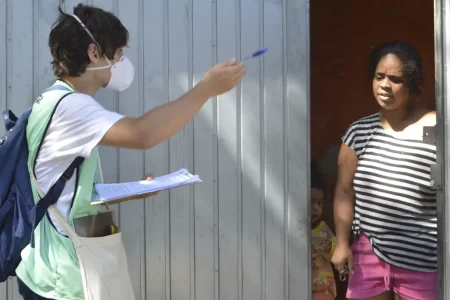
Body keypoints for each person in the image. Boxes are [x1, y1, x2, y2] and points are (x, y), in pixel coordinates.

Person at [15, 4, 246, 300]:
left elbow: (63, 190)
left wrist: (130, 191)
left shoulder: (53, 99)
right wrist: (206, 88)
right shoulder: (72, 108)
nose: (122, 61)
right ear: (94, 53)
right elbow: (143, 133)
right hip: (64, 278)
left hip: (45, 269)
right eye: (119, 52)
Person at [331, 40, 437, 300]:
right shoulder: (358, 132)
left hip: (423, 258)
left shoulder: (437, 129)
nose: (385, 85)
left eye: (395, 79)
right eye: (379, 77)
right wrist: (343, 244)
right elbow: (344, 191)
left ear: (412, 84)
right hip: (369, 255)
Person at [311, 160, 337, 300]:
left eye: (319, 202)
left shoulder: (323, 230)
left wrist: (327, 246)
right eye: (310, 201)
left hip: (324, 291)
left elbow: (337, 257)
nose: (315, 208)